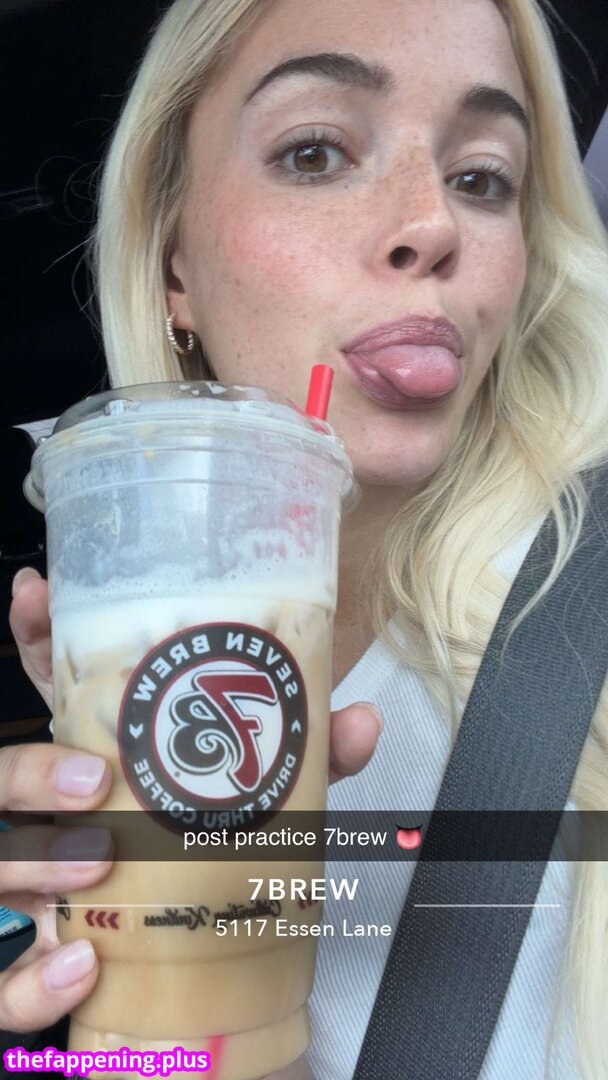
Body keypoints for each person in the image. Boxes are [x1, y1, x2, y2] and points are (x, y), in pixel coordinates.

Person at [2, 0, 608, 1077]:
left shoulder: (583, 603)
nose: (432, 224)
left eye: (482, 177)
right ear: (173, 261)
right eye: (316, 151)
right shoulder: (111, 642)